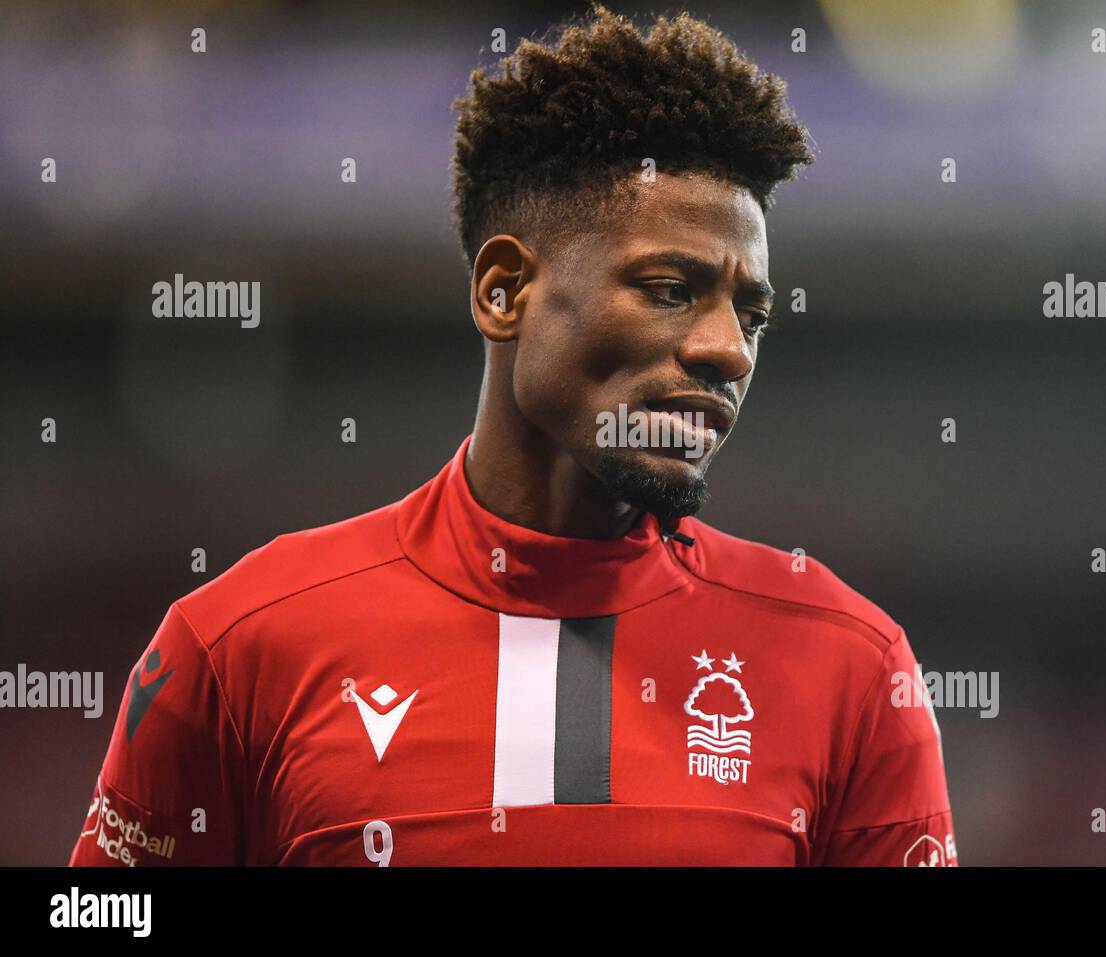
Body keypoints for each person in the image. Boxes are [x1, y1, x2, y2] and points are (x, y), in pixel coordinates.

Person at [70, 5, 955, 866]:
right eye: (668, 288)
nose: (724, 349)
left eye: (750, 314)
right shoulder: (237, 647)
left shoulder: (852, 669)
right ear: (504, 291)